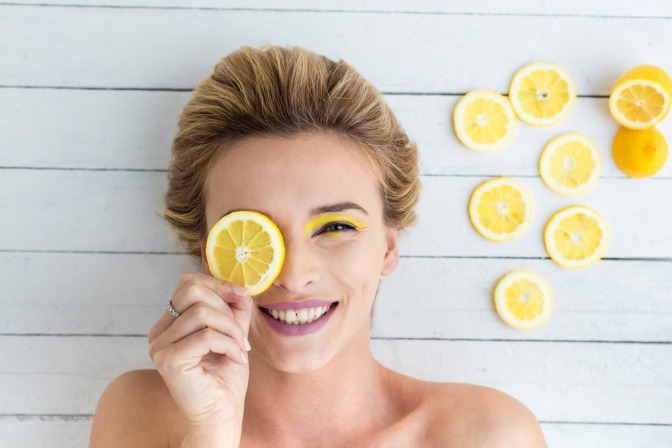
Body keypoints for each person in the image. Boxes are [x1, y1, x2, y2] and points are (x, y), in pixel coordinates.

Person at [89, 45, 547, 447]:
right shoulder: (141, 415)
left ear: (387, 247)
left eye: (336, 227)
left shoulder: (488, 436)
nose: (294, 274)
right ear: (208, 252)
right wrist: (209, 431)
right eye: (254, 235)